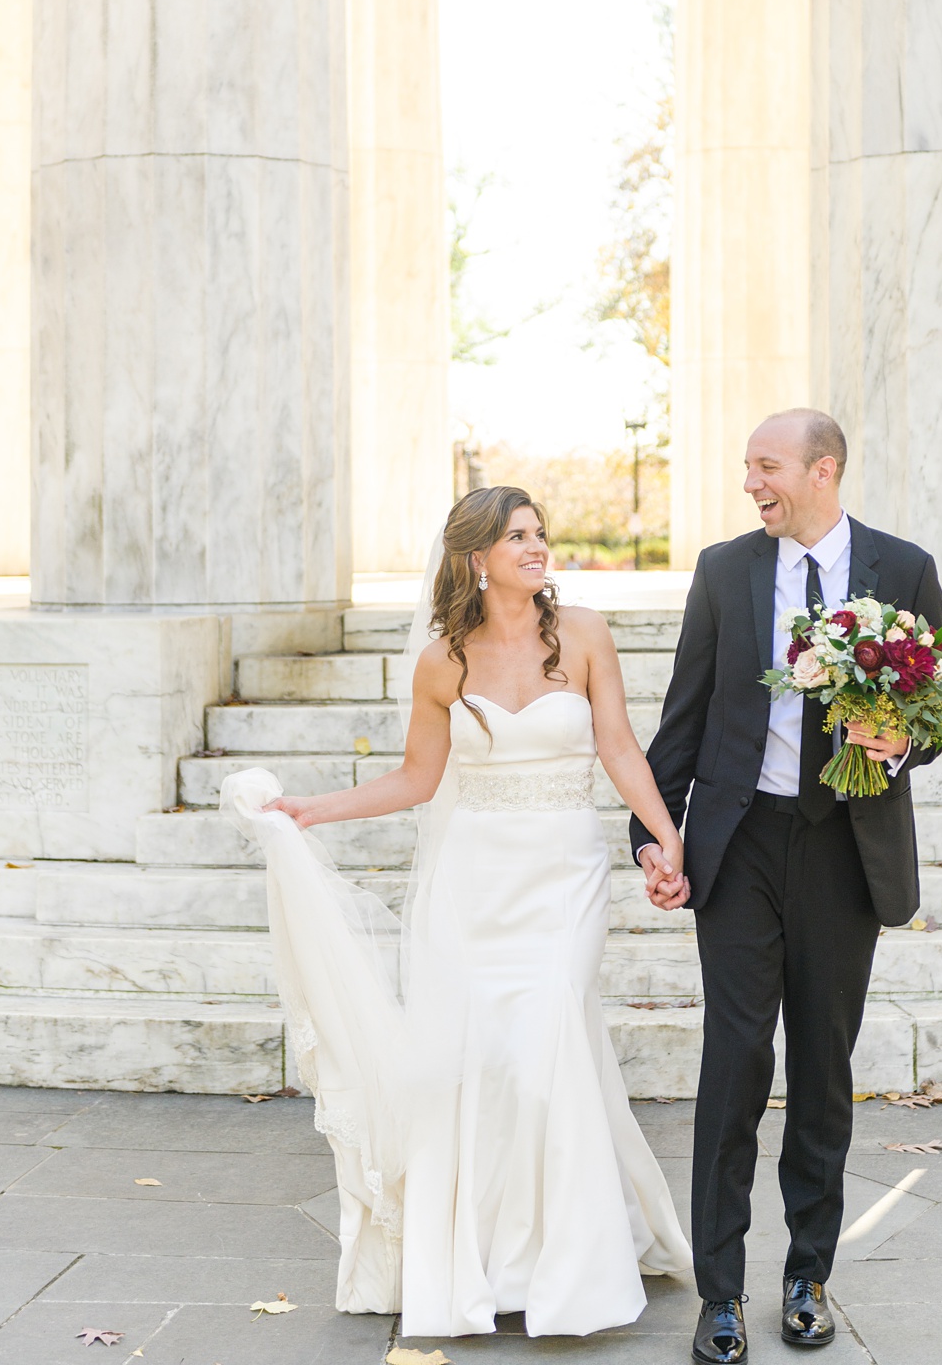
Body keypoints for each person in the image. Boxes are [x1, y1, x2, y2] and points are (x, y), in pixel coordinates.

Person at [229, 485, 691, 1338]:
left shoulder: (584, 633)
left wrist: (667, 839)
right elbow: (417, 779)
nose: (537, 547)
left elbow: (619, 746)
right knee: (485, 1061)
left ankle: (572, 1269)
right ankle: (490, 1257)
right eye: (518, 536)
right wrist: (310, 809)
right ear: (477, 556)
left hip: (564, 874)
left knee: (549, 1030)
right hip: (473, 882)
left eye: (540, 533)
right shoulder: (441, 660)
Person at [637, 410, 942, 1363]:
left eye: (764, 467)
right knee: (733, 1067)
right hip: (739, 847)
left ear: (823, 470)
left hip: (847, 855)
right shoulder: (725, 571)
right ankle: (718, 1295)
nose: (749, 484)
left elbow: (937, 705)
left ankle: (808, 1276)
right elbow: (684, 711)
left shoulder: (904, 568)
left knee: (824, 1067)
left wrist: (903, 743)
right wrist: (654, 833)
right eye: (745, 468)